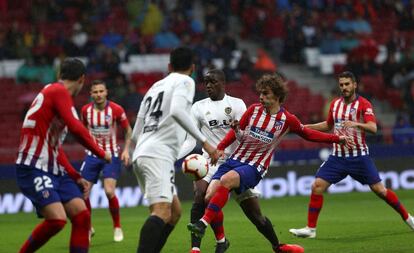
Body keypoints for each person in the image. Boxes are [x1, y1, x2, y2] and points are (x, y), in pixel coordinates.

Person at [188, 73, 350, 253]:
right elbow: (236, 133)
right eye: (260, 93)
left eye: (265, 94)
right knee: (211, 197)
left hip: (254, 167)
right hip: (234, 160)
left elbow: (309, 134)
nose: (261, 97)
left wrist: (337, 139)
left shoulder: (287, 119)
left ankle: (202, 224)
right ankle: (271, 246)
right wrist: (220, 147)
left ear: (278, 97)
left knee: (227, 181)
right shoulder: (253, 110)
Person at [289, 71, 414, 238]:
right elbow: (328, 125)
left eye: (347, 84)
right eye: (341, 85)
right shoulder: (335, 105)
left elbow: (373, 128)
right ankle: (311, 229)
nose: (344, 87)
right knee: (317, 186)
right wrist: (303, 127)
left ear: (354, 85)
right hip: (338, 157)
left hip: (359, 157)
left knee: (380, 190)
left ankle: (408, 218)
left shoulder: (364, 104)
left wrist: (355, 124)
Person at [16, 58, 111, 253]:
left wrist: (75, 175)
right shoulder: (58, 91)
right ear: (82, 79)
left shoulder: (60, 101)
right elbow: (76, 129)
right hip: (33, 165)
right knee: (57, 220)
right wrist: (101, 153)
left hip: (53, 167)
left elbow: (55, 148)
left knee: (82, 216)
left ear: (60, 74)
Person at [130, 47, 219, 253]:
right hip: (157, 155)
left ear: (169, 66)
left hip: (142, 152)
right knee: (162, 212)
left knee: (174, 212)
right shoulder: (185, 81)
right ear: (193, 68)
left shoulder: (154, 87)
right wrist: (205, 143)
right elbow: (177, 111)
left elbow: (135, 133)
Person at [179, 69, 268, 253]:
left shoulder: (237, 104)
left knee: (256, 216)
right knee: (200, 196)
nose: (208, 85)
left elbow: (247, 138)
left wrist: (237, 131)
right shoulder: (198, 107)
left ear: (223, 83)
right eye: (206, 82)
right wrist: (175, 156)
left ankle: (277, 245)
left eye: (212, 82)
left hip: (237, 164)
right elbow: (190, 140)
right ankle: (196, 248)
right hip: (209, 163)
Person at [80, 80, 132, 242]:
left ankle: (117, 226)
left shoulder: (116, 109)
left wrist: (125, 150)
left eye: (101, 91)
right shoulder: (85, 111)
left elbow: (128, 130)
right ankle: (88, 228)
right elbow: (82, 130)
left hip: (112, 155)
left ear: (106, 92)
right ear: (91, 94)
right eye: (95, 92)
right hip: (92, 155)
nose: (98, 94)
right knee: (83, 193)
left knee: (109, 191)